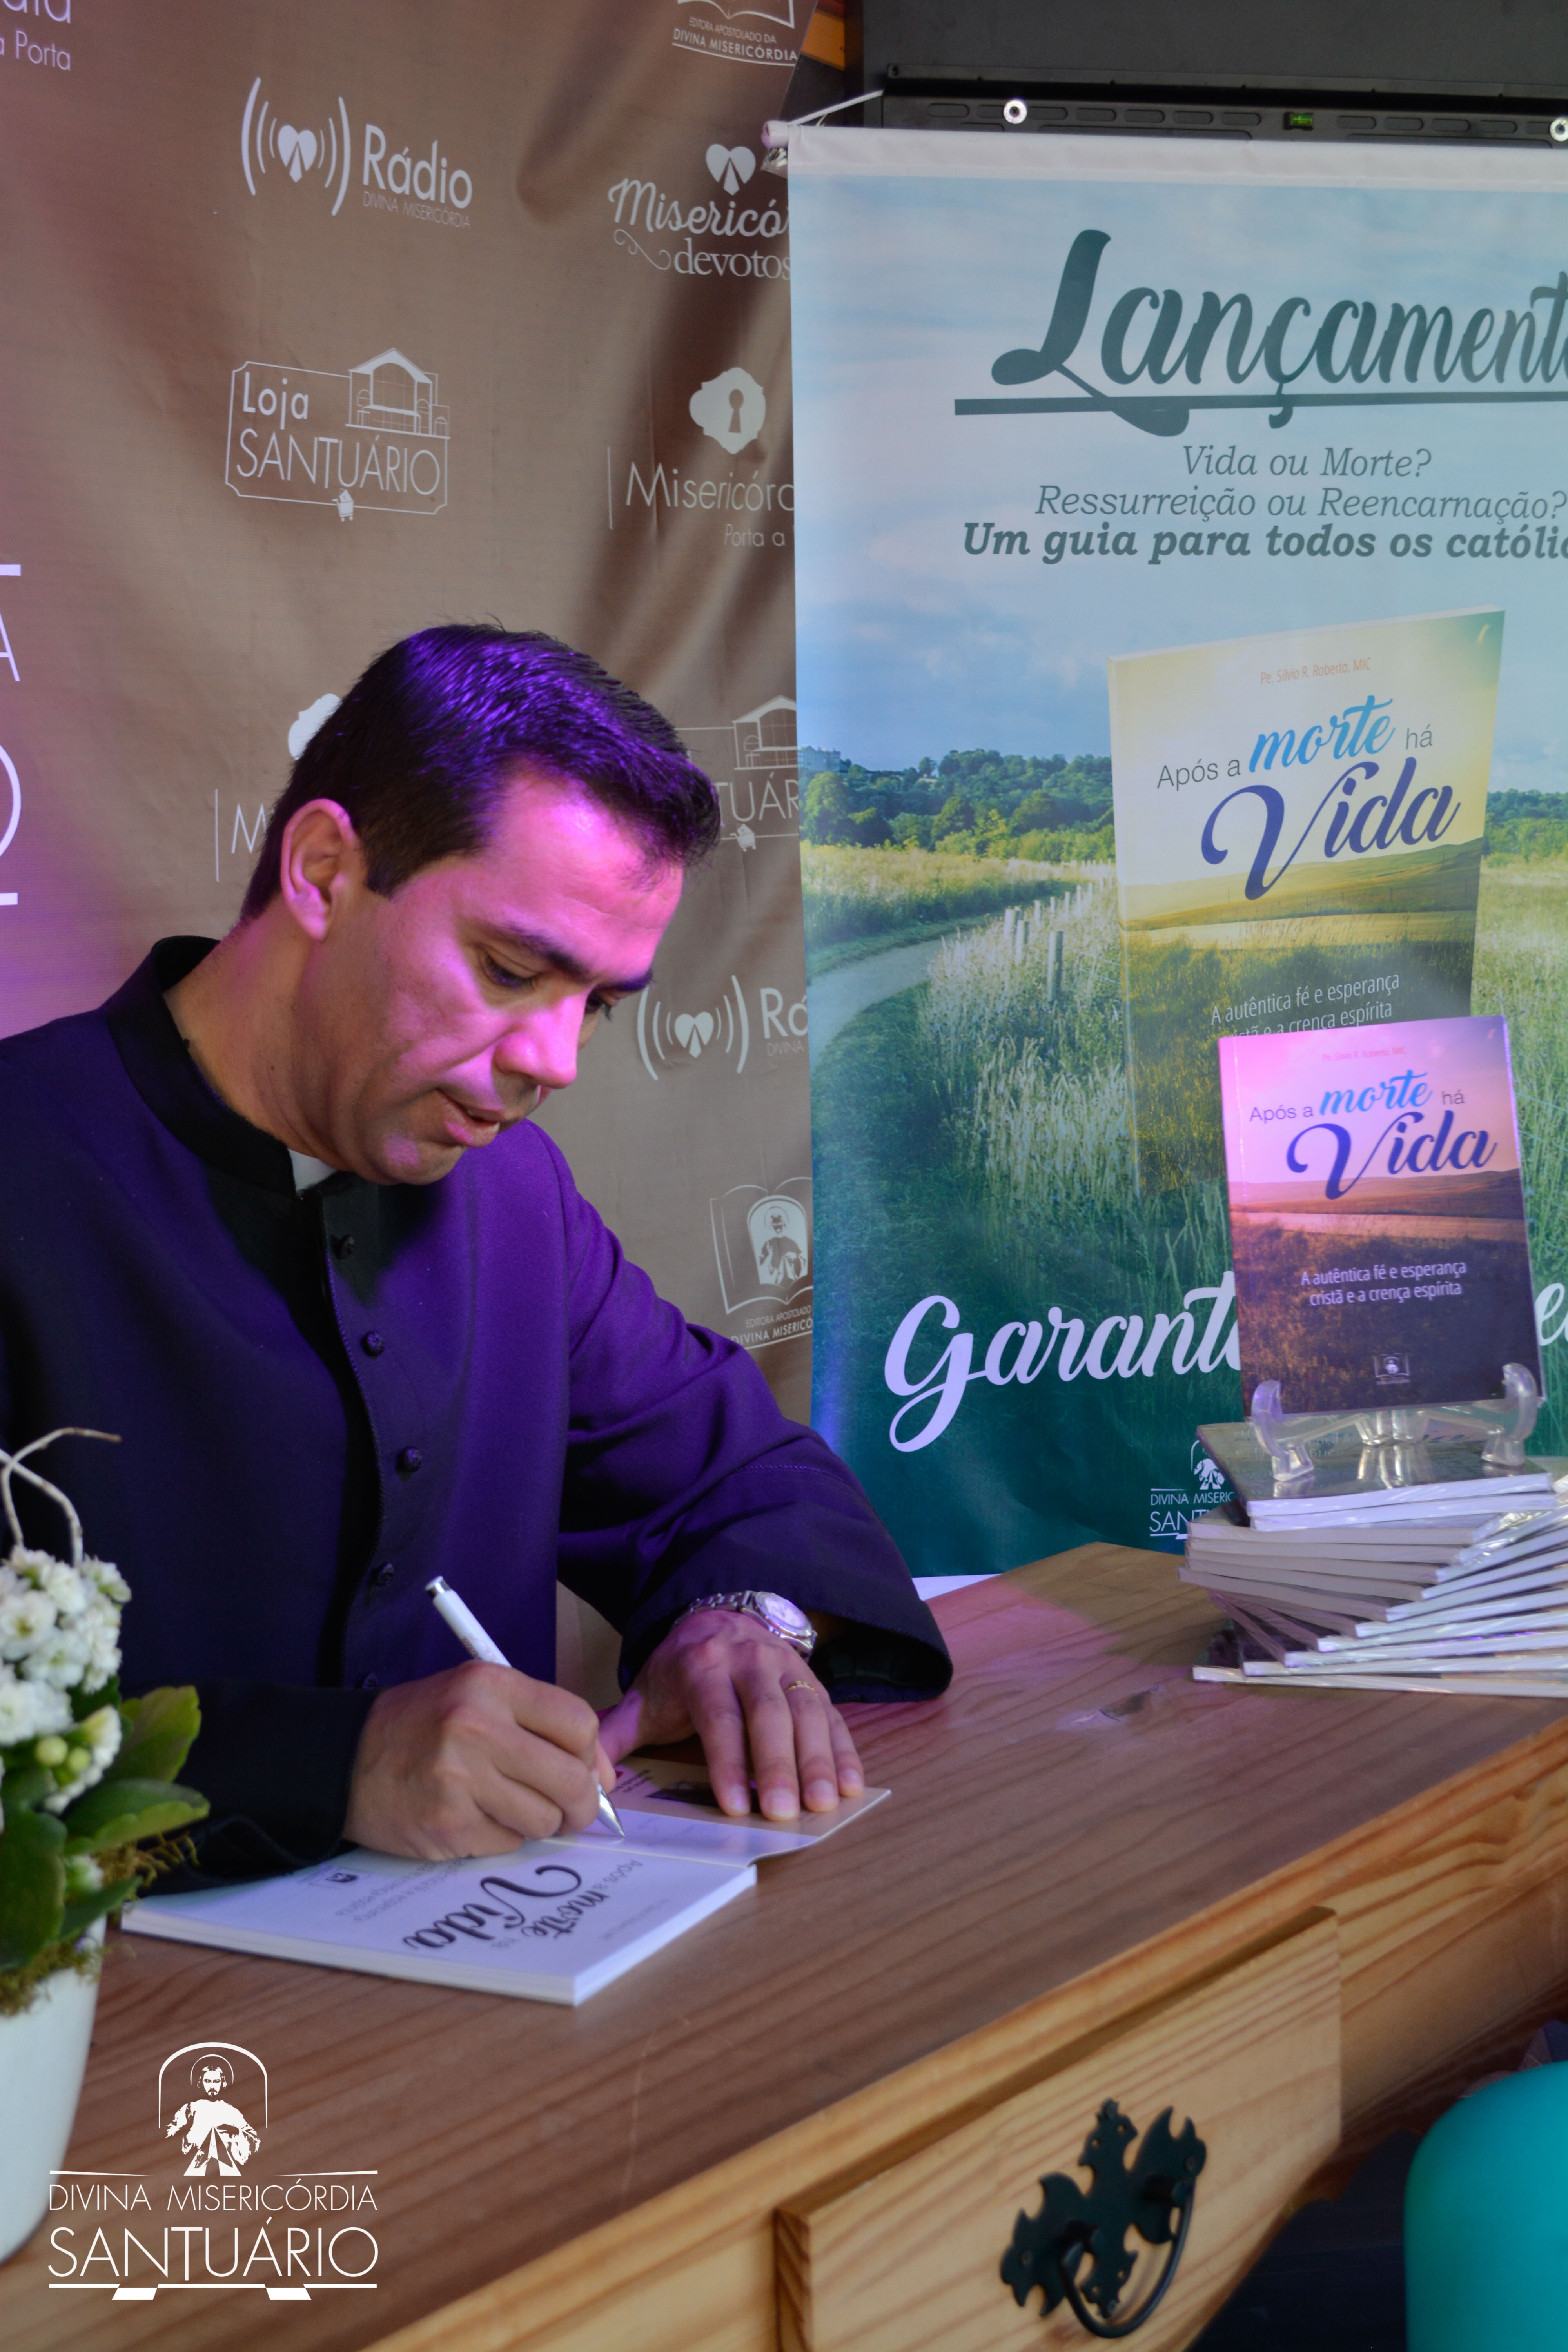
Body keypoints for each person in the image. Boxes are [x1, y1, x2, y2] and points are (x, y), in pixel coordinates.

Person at [0, 627, 948, 1881]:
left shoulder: (515, 1196)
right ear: (324, 871)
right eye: (508, 970)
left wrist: (746, 1624)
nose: (554, 1062)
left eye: (595, 1005)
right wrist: (328, 1766)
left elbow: (744, 1476)